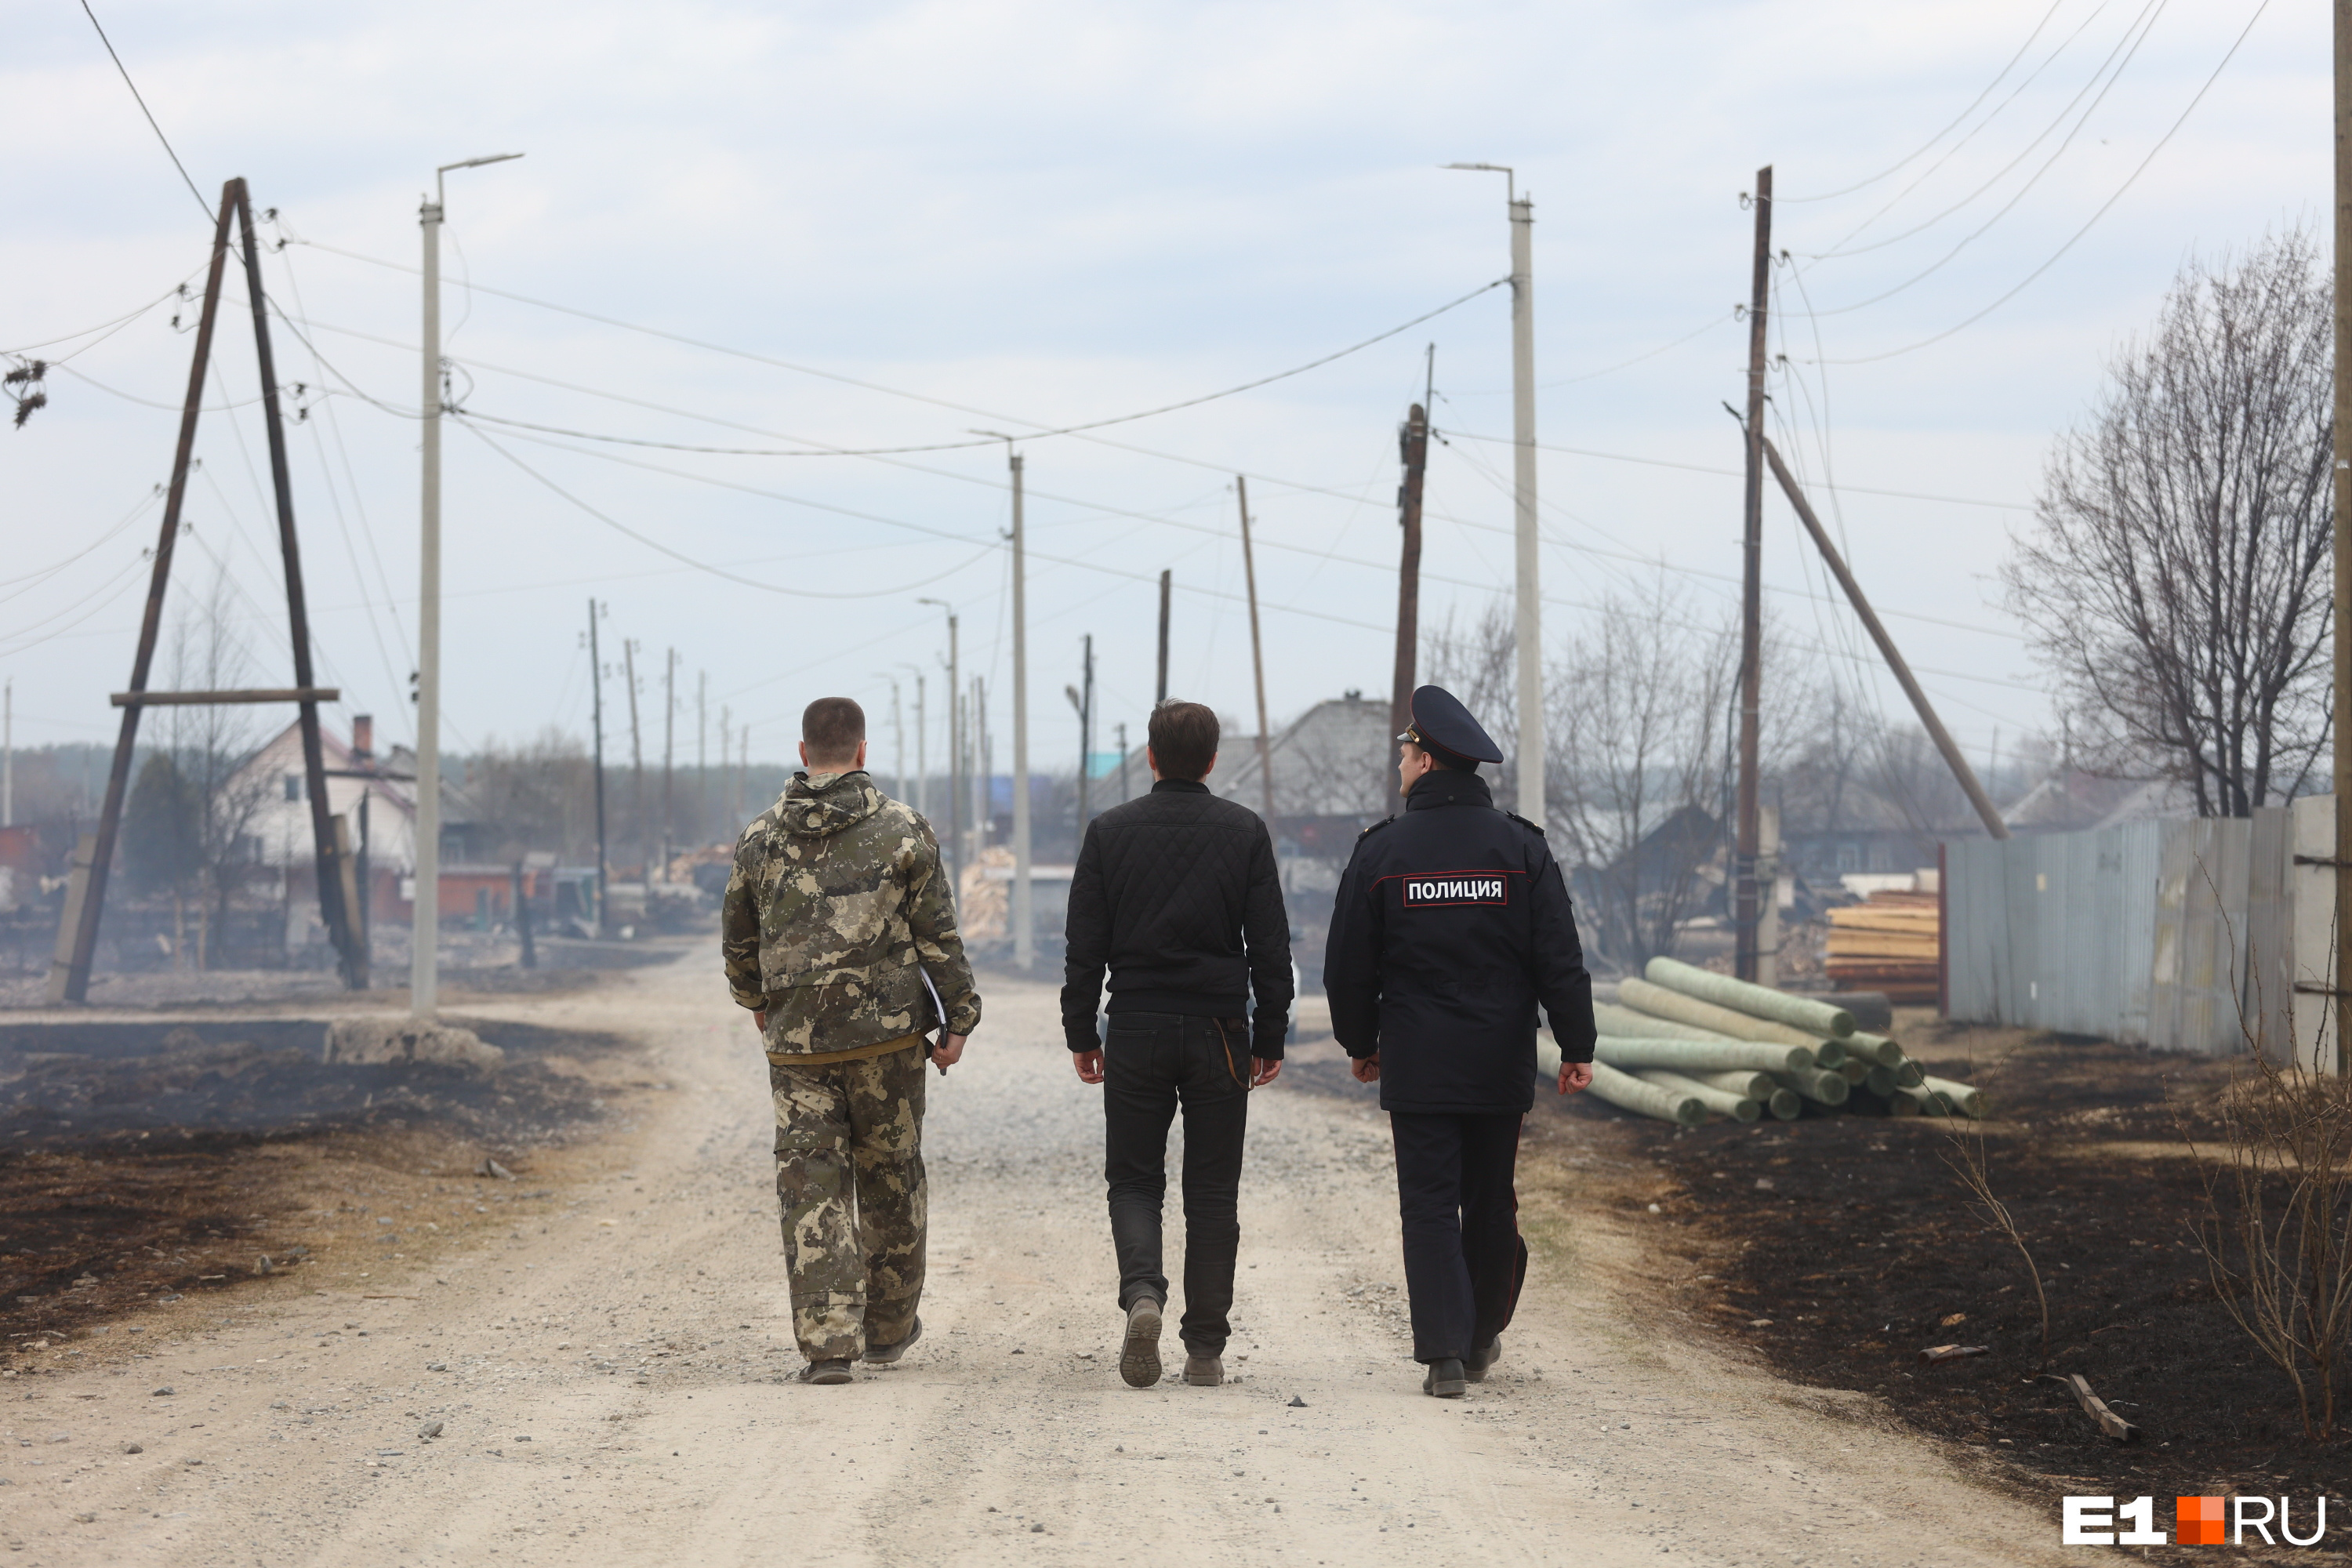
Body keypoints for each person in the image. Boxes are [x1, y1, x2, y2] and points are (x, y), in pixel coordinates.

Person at [1321, 684, 1596, 1399]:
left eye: (1407, 752)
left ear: (1431, 761)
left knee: (1430, 1202)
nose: (1402, 764)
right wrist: (1576, 1045)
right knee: (1491, 1198)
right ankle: (1479, 1340)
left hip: (1417, 1061)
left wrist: (1360, 1039)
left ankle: (1444, 1354)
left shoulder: (1382, 852)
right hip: (1499, 1059)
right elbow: (1558, 958)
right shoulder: (1521, 849)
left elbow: (1348, 961)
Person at [720, 695, 982, 1386]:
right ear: (862, 752)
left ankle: (829, 1346)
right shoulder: (905, 832)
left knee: (811, 1186)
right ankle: (888, 1330)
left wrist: (757, 1002)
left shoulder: (758, 839)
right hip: (887, 1045)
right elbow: (939, 939)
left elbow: (738, 940)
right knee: (891, 1176)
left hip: (797, 1048)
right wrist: (958, 1019)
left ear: (804, 754)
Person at [1061, 699, 1293, 1390]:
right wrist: (1271, 1033)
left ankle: (1143, 1296)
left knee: (1134, 1179)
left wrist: (1081, 1030)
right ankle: (1204, 1349)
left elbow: (1084, 947)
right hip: (1221, 1031)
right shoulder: (1244, 832)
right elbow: (1271, 946)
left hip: (1134, 1026)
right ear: (1214, 760)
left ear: (1151, 758)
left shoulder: (1110, 832)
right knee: (1213, 1192)